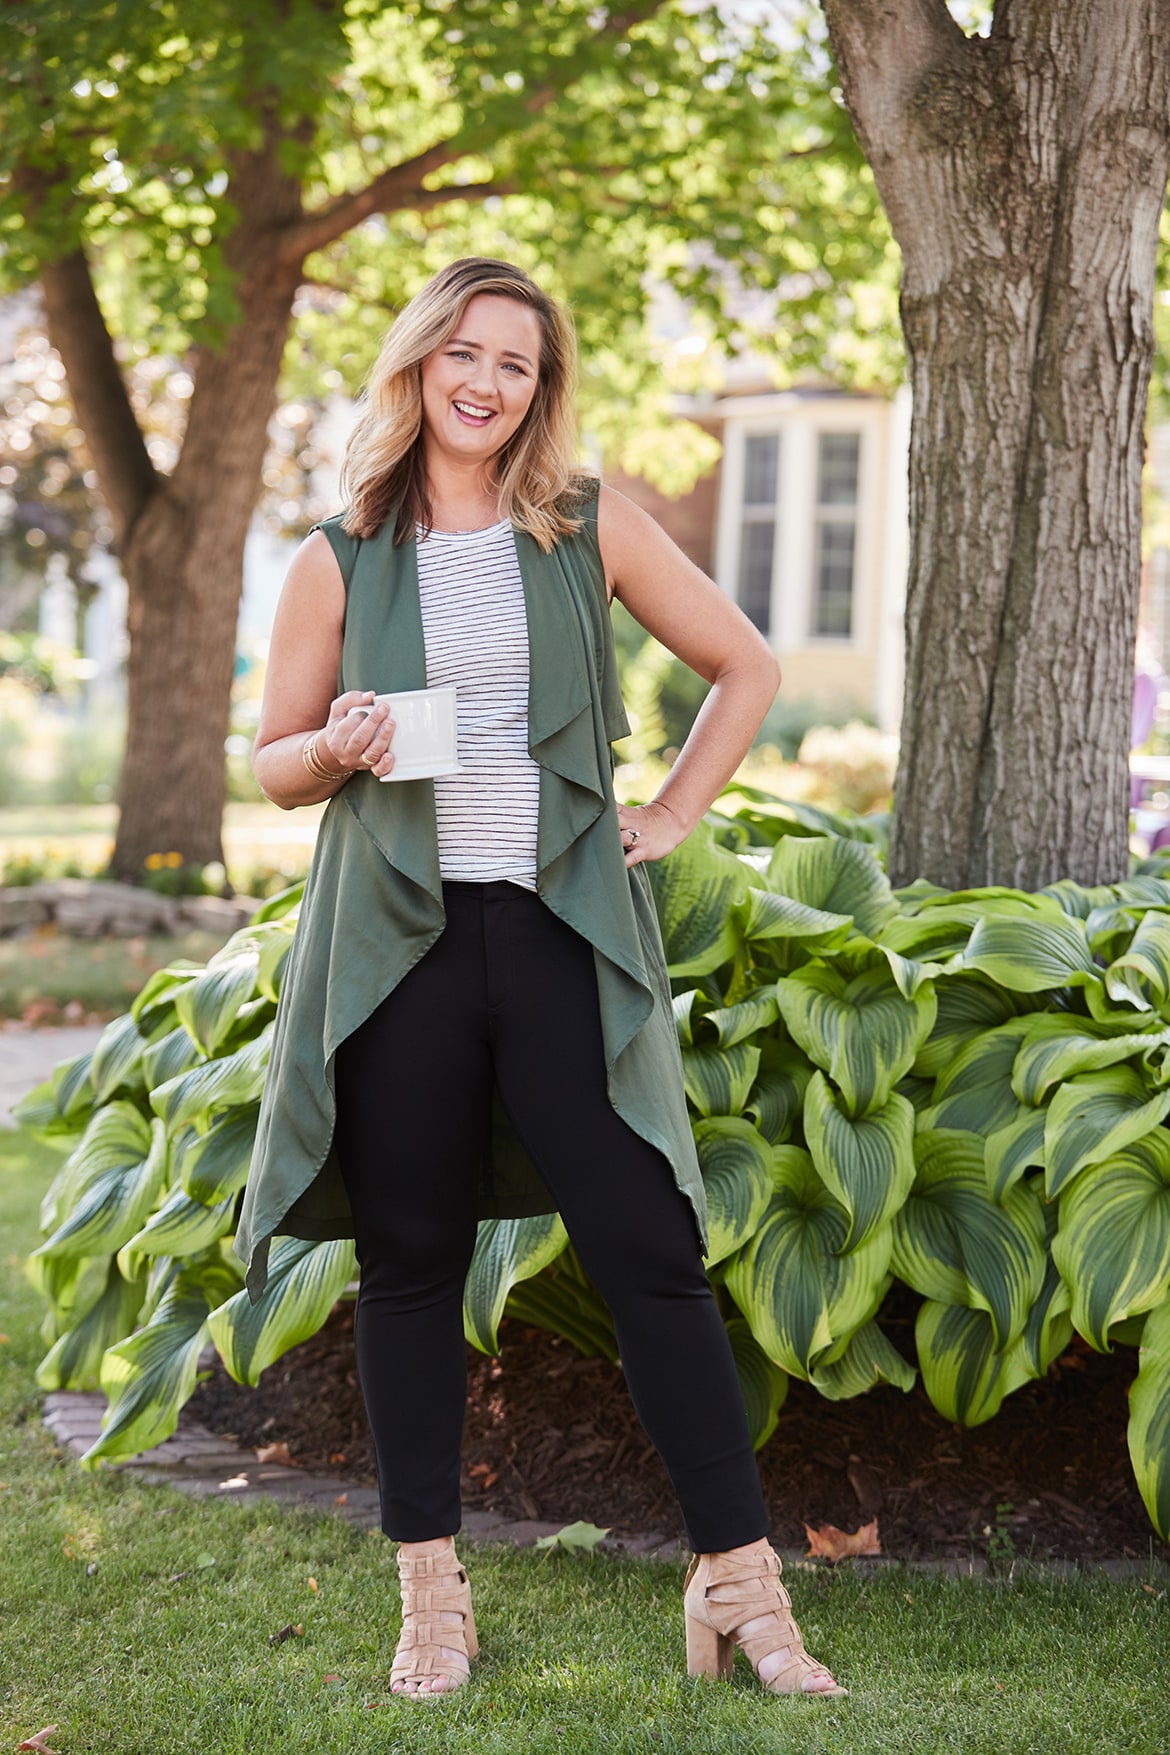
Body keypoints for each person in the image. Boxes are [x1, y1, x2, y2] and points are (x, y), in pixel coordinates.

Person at [236, 257, 846, 1702]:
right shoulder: (337, 556)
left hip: (560, 928)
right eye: (461, 351)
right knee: (410, 1265)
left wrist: (673, 816)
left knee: (646, 1243)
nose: (484, 381)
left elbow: (742, 667)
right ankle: (430, 1595)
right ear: (416, 367)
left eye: (513, 362)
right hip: (403, 946)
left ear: (539, 389)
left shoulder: (587, 530)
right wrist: (340, 746)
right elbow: (270, 766)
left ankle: (738, 1585)